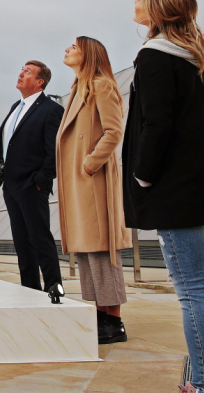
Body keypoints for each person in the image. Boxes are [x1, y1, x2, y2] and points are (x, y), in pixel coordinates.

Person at [123, 0, 204, 393]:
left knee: (192, 293)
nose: (134, 2)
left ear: (155, 8)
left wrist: (142, 175)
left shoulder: (153, 56)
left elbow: (157, 124)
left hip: (174, 189)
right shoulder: (197, 56)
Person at [56, 37, 131, 344]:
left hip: (92, 180)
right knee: (87, 249)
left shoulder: (101, 85)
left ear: (88, 54)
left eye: (73, 46)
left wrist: (90, 164)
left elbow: (114, 132)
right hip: (78, 182)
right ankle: (101, 316)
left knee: (102, 248)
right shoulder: (77, 90)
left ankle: (114, 322)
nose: (67, 49)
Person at [0, 60, 66, 302]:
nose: (21, 74)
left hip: (32, 186)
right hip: (11, 186)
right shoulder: (16, 106)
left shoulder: (51, 110)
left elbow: (55, 149)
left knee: (40, 238)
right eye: (22, 70)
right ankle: (30, 291)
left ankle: (54, 288)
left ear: (40, 82)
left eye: (28, 72)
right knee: (22, 243)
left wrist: (41, 180)